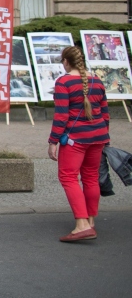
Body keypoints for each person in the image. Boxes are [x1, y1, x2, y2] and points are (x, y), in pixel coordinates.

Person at [48, 46, 110, 242]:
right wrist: (105, 136)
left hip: (76, 138)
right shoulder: (97, 81)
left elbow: (61, 116)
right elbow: (105, 112)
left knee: (68, 177)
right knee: (91, 177)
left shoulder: (63, 82)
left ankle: (81, 225)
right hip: (98, 135)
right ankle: (91, 222)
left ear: (66, 62)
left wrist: (53, 141)